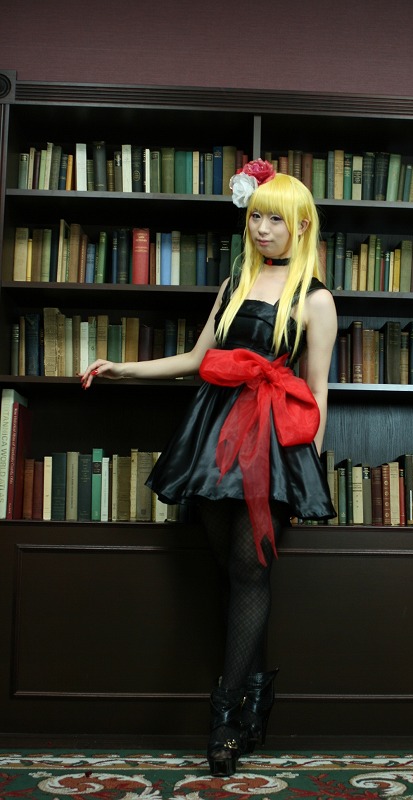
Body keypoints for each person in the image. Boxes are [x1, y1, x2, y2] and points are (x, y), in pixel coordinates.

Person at [80, 159, 338, 776]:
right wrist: (123, 369)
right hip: (213, 437)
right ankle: (256, 700)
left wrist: (306, 471)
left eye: (275, 219)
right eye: (256, 217)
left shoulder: (316, 299)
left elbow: (317, 391)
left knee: (249, 572)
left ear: (302, 226)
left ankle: (223, 718)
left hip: (271, 442)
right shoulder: (232, 286)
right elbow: (199, 360)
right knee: (233, 573)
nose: (262, 229)